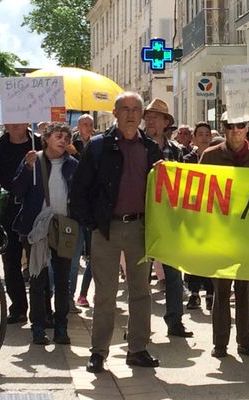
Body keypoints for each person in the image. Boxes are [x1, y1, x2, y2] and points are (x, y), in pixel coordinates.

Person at [70, 92, 161, 373]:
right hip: (106, 229)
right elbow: (79, 190)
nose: (131, 114)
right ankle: (98, 352)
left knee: (141, 292)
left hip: (140, 228)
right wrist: (92, 224)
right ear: (115, 112)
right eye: (125, 109)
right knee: (105, 294)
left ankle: (137, 349)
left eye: (136, 109)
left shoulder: (150, 148)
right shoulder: (98, 147)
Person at [199, 111, 249, 358]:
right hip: (221, 233)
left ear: (248, 128)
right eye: (230, 126)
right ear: (224, 128)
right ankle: (220, 343)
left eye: (240, 126)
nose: (235, 130)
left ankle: (245, 341)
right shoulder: (210, 156)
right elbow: (199, 193)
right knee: (221, 290)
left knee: (244, 289)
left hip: (248, 235)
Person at [12, 123, 78, 345]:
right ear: (47, 138)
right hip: (36, 228)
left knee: (62, 281)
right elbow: (17, 191)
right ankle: (38, 327)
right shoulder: (34, 160)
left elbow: (79, 194)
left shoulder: (73, 165)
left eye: (67, 138)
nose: (63, 141)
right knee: (37, 280)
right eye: (59, 136)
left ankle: (61, 327)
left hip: (63, 227)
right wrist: (27, 168)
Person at [0, 121, 43, 324]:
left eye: (19, 120)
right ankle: (18, 308)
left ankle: (41, 310)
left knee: (38, 262)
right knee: (11, 261)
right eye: (11, 120)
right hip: (7, 213)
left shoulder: (40, 143)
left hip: (37, 211)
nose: (15, 125)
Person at [143, 98, 192, 338]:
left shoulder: (177, 151)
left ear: (165, 123)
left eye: (155, 117)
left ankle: (175, 322)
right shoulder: (136, 146)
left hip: (170, 220)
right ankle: (139, 325)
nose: (149, 120)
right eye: (148, 117)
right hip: (142, 219)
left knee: (174, 275)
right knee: (140, 277)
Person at [183, 122, 214, 310]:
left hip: (212, 214)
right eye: (200, 134)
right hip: (193, 212)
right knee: (193, 255)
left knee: (210, 255)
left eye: (206, 134)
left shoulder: (217, 157)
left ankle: (211, 293)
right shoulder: (187, 158)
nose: (203, 137)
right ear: (193, 138)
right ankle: (194, 293)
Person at [66, 114, 96, 310]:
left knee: (94, 257)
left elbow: (92, 170)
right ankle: (69, 296)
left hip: (93, 209)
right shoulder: (70, 143)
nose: (87, 127)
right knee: (74, 258)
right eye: (84, 124)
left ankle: (84, 294)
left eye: (90, 124)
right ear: (78, 125)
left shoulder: (97, 143)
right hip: (75, 210)